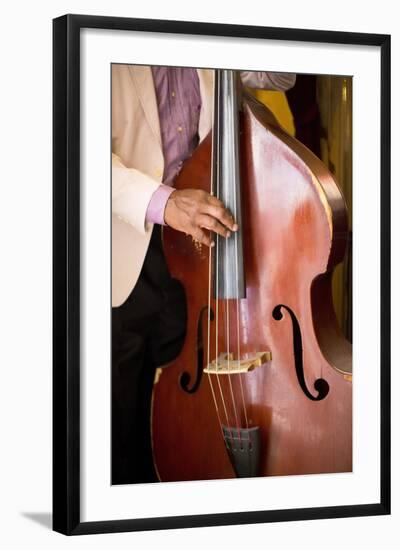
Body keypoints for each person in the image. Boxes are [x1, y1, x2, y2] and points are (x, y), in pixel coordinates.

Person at [111, 65, 296, 484]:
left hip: (199, 254)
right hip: (118, 249)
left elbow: (281, 77)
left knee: (181, 402)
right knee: (113, 417)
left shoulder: (208, 41)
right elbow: (72, 149)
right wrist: (166, 203)